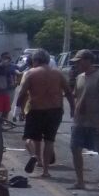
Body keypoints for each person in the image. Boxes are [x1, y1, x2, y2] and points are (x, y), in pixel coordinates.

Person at [14, 49, 74, 179]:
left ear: (36, 60)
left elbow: (22, 93)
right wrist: (72, 109)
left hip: (36, 110)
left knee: (31, 138)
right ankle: (46, 171)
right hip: (55, 110)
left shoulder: (31, 73)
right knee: (49, 141)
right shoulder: (58, 74)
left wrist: (18, 109)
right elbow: (68, 92)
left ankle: (34, 156)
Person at [69, 49, 99, 189]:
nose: (77, 64)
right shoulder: (80, 77)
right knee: (75, 148)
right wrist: (74, 109)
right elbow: (76, 95)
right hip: (80, 121)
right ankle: (80, 181)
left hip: (95, 121)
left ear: (88, 60)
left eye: (79, 61)